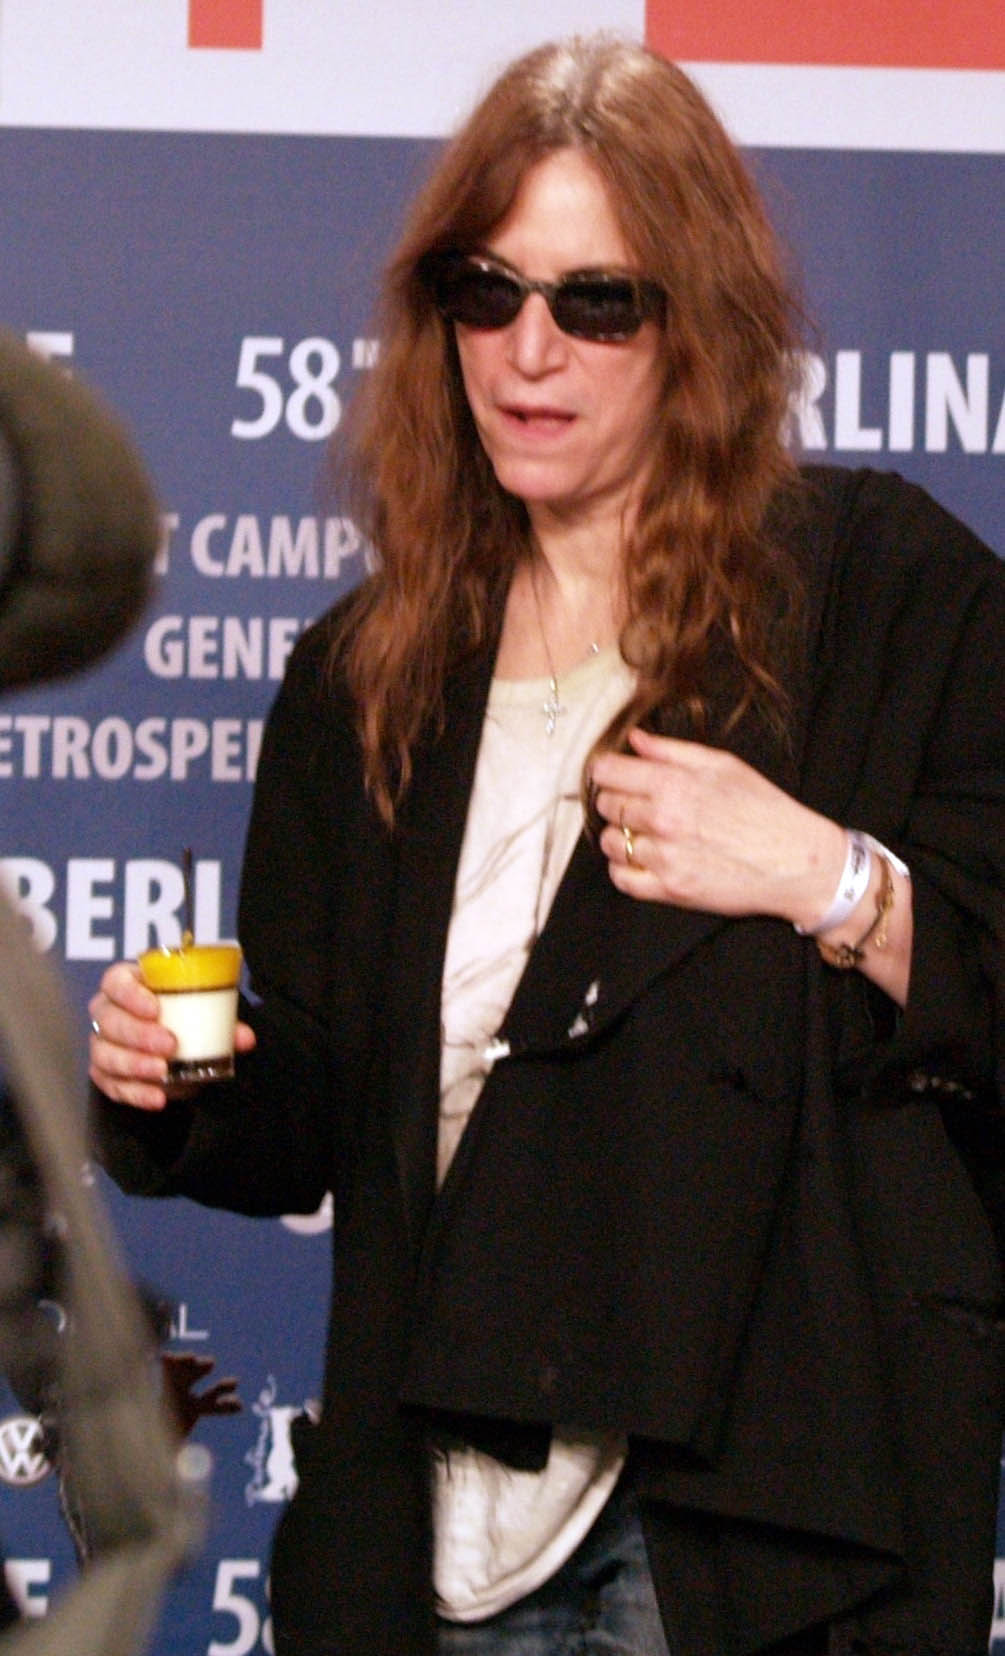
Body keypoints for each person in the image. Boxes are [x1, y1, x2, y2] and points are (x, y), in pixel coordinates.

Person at [87, 34, 1005, 1656]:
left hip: (753, 1529)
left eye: (597, 303)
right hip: (438, 1516)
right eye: (486, 291)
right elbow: (316, 1115)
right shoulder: (366, 673)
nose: (528, 351)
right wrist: (179, 1077)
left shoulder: (879, 594)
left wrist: (825, 876)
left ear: (698, 327)